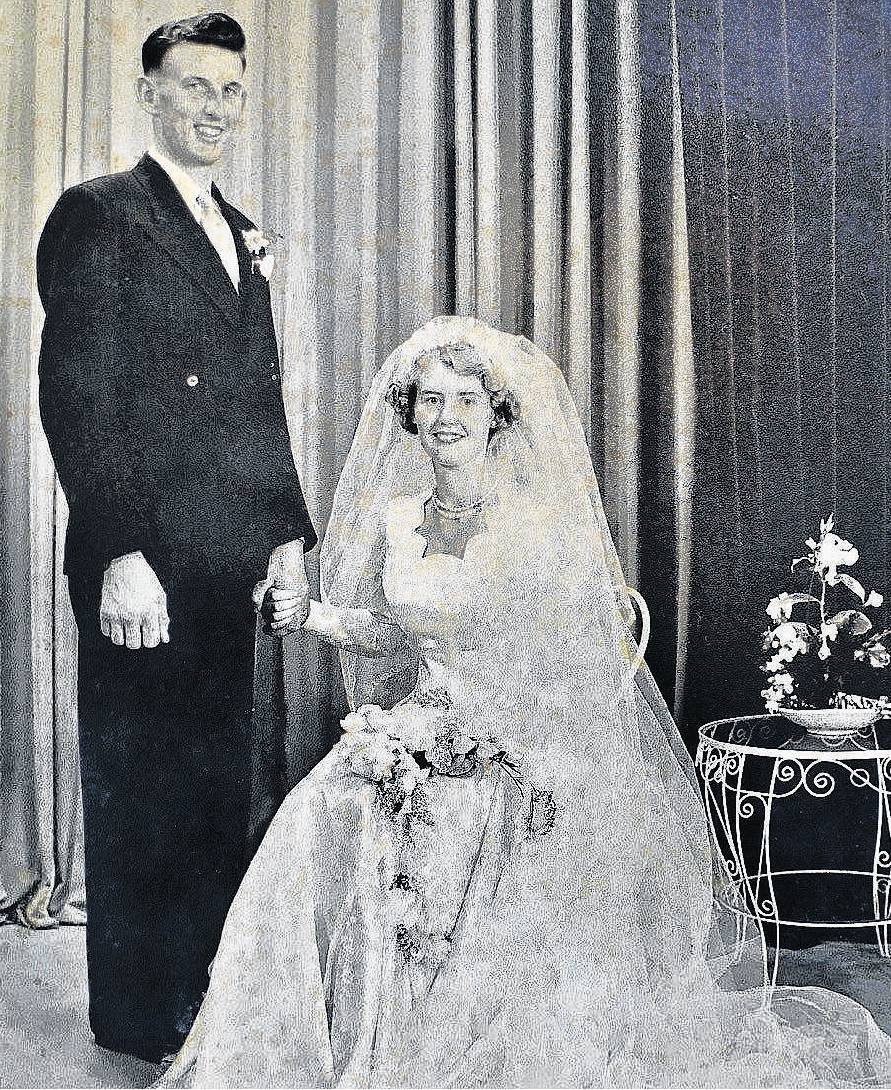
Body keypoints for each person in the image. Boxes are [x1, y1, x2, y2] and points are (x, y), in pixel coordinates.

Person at [164, 316, 891, 1087]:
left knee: (474, 817)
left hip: (527, 734)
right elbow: (397, 634)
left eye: (466, 401)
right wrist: (310, 615)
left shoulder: (538, 524)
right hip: (422, 722)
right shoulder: (397, 519)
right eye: (430, 400)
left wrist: (506, 743)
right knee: (319, 812)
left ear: (497, 414)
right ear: (408, 414)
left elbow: (568, 658)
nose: (447, 417)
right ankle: (350, 1036)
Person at [36, 13, 315, 1063]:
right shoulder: (102, 215)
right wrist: (118, 553)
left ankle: (200, 998)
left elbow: (259, 406)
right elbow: (77, 396)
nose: (214, 107)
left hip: (223, 560)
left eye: (230, 90)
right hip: (143, 562)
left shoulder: (238, 227)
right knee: (141, 786)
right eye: (194, 86)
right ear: (150, 93)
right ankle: (140, 1016)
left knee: (206, 786)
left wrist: (286, 538)